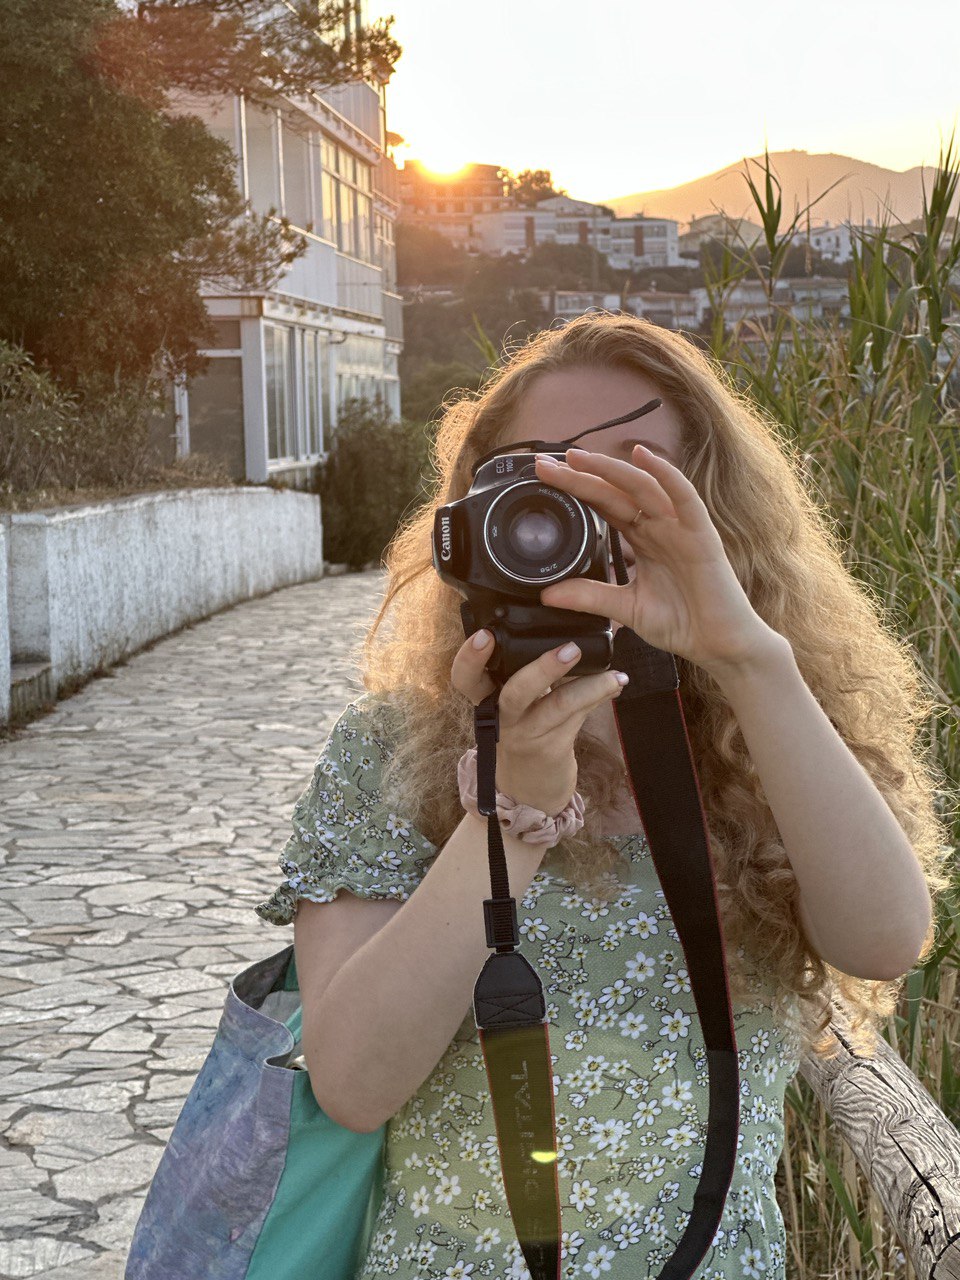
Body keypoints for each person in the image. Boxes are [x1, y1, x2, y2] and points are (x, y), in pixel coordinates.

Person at [255, 312, 946, 1280]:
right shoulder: (391, 753)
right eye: (542, 477)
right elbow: (353, 1081)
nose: (573, 516)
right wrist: (510, 816)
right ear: (473, 515)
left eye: (630, 483)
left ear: (711, 512)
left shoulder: (763, 739)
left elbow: (884, 936)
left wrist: (746, 652)